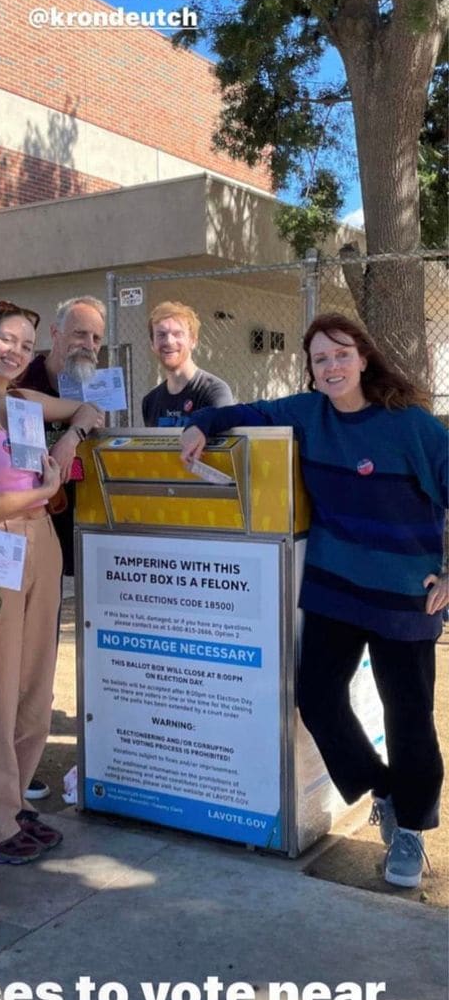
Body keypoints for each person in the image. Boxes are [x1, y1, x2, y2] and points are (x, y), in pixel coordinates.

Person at [181, 313, 448, 889]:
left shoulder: (413, 428)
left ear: (364, 358)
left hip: (405, 597)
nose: (331, 366)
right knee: (317, 697)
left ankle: (411, 833)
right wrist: (200, 423)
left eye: (341, 354)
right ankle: (384, 791)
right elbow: (241, 414)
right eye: (320, 358)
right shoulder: (307, 414)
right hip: (333, 588)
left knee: (409, 717)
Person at [0, 300, 103, 864]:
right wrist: (40, 491)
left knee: (38, 681)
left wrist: (69, 440)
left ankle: (15, 800)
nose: (13, 351)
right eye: (5, 339)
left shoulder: (28, 403)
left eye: (24, 344)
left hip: (43, 544)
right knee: (1, 687)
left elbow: (88, 407)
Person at [17, 294, 107, 801]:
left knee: (101, 638)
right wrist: (76, 425)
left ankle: (109, 744)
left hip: (89, 526)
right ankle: (17, 764)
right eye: (79, 334)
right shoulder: (25, 384)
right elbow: (37, 465)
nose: (88, 345)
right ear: (55, 334)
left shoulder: (99, 384)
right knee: (33, 648)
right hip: (37, 525)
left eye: (96, 338)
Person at [142, 301, 234, 426]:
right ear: (152, 344)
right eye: (161, 335)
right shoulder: (150, 401)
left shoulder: (214, 392)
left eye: (178, 334)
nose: (169, 341)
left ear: (193, 341)